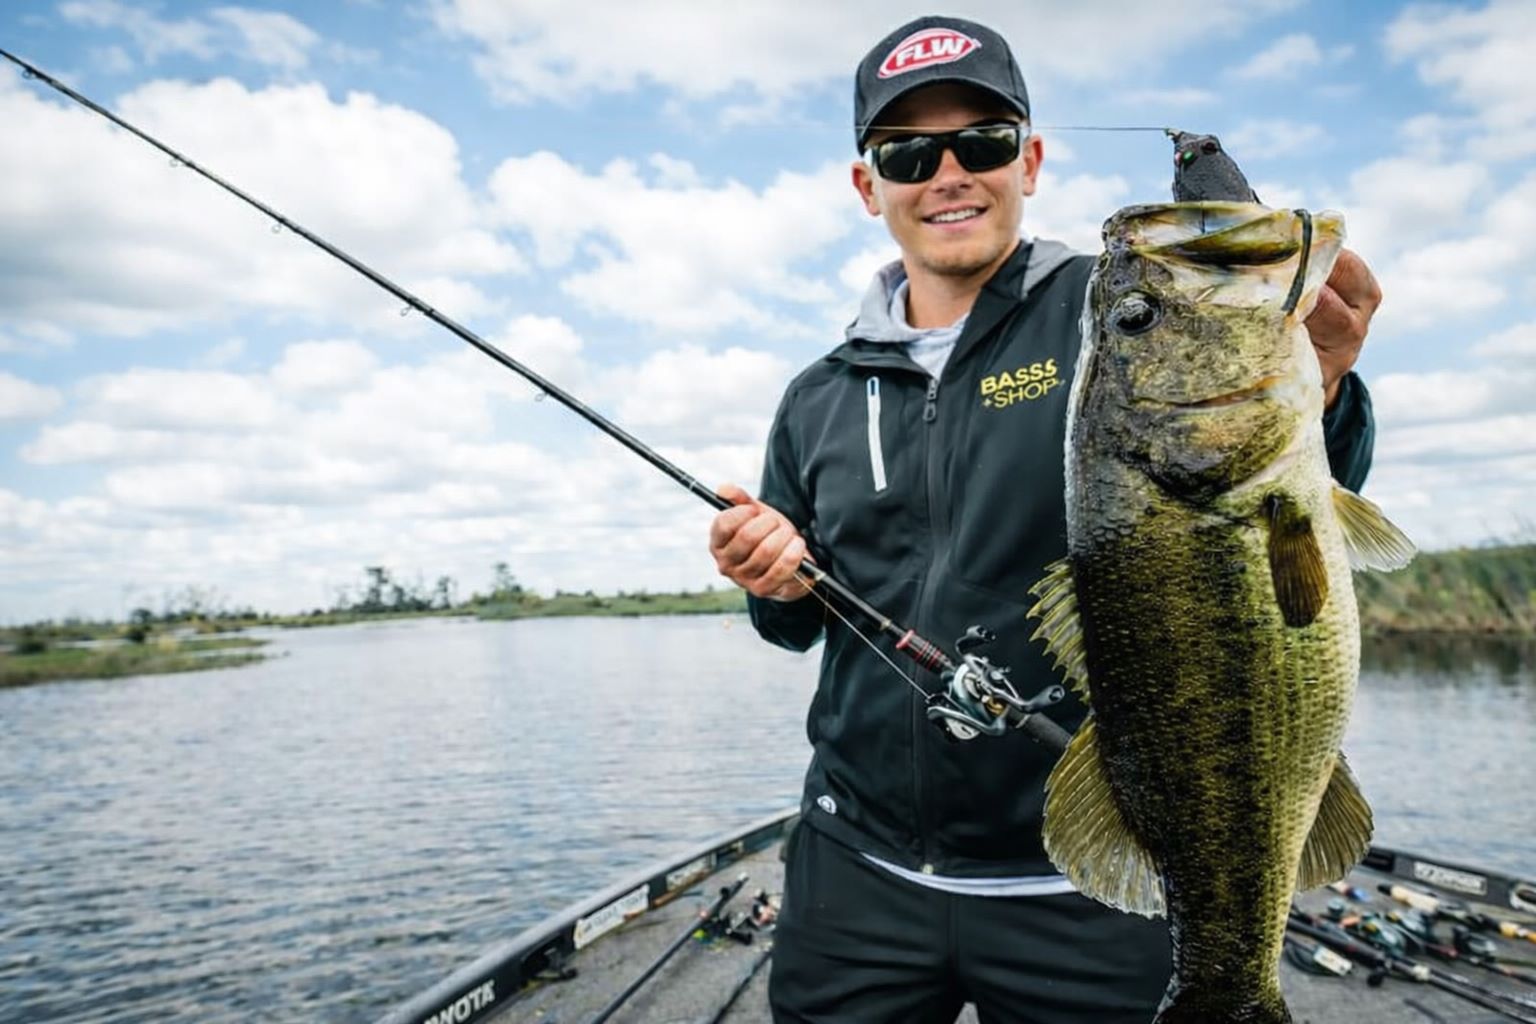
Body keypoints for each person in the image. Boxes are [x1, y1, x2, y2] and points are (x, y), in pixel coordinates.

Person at [708, 15, 1381, 1024]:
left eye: (980, 142)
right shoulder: (817, 394)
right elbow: (796, 623)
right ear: (869, 185)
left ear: (1028, 158)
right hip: (858, 865)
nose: (948, 173)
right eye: (908, 152)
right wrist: (771, 578)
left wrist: (1323, 388)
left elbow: (1287, 512)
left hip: (1087, 882)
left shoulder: (1107, 306)